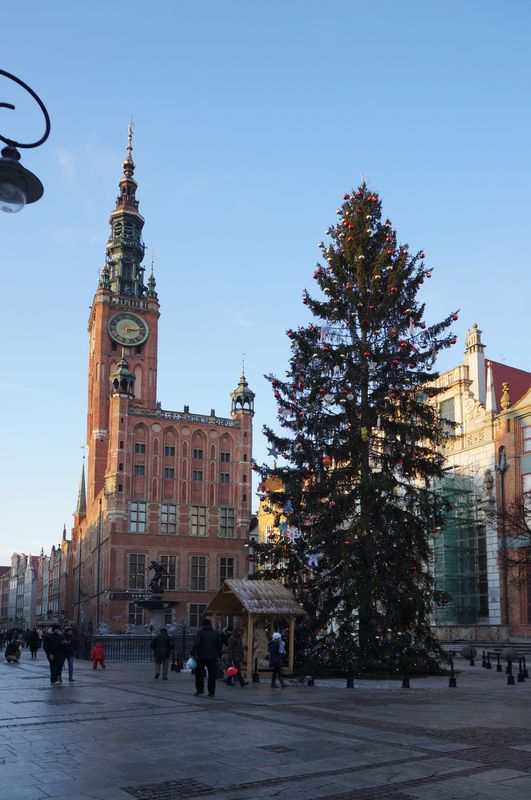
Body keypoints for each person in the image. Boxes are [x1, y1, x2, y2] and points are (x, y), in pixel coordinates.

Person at [191, 617, 222, 697]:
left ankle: (200, 690)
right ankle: (211, 692)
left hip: (201, 656)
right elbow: (219, 645)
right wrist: (219, 654)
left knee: (199, 674)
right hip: (213, 656)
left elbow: (196, 644)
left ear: (202, 625)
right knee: (212, 674)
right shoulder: (216, 633)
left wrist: (192, 653)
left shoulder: (200, 633)